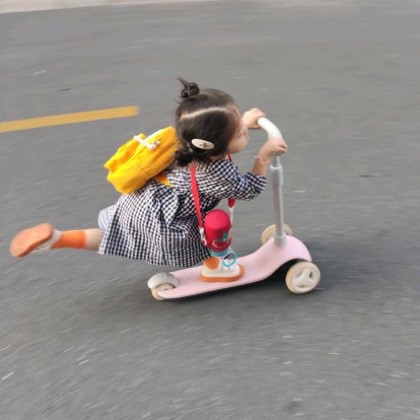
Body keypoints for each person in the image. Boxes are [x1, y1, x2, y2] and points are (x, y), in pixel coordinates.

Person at [9, 78, 288, 281]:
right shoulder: (215, 171)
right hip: (166, 221)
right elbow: (247, 190)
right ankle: (217, 267)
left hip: (142, 203)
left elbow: (219, 136)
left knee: (113, 235)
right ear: (212, 146)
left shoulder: (187, 141)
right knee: (214, 226)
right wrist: (263, 156)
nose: (244, 131)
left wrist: (241, 122)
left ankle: (58, 238)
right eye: (239, 132)